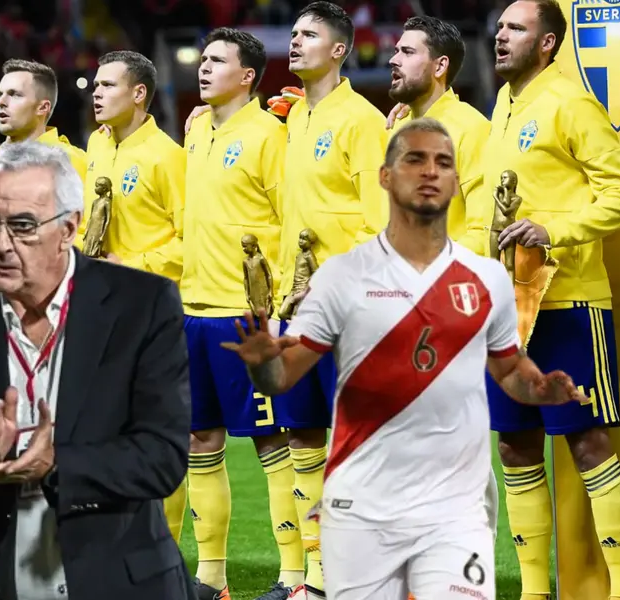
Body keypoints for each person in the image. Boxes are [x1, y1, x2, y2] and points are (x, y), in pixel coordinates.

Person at [222, 118, 587, 600]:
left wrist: (540, 387)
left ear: (457, 181)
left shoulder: (484, 279)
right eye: (414, 161)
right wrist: (262, 364)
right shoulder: (342, 277)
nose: (429, 173)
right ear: (386, 177)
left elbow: (508, 369)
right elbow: (284, 376)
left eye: (443, 163)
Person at [0, 141, 195, 599]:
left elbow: (163, 457)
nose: (1, 245)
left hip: (120, 583)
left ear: (68, 228)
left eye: (23, 226)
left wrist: (57, 464)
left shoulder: (141, 305)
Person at [481, 1, 620, 597]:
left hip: (570, 300)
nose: (501, 36)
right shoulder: (503, 105)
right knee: (515, 443)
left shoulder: (570, 102)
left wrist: (556, 230)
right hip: (510, 310)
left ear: (547, 43)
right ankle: (534, 590)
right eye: (500, 26)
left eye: (516, 28)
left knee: (587, 440)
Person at [273, 5, 391, 597]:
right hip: (297, 309)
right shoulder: (296, 117)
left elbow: (380, 223)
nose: (295, 42)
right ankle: (318, 580)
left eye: (309, 35)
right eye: (293, 34)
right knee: (302, 438)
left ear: (340, 49)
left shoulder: (362, 122)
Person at [181, 27, 295, 600]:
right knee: (200, 438)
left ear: (248, 76)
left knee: (273, 441)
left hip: (245, 315)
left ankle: (294, 576)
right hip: (193, 306)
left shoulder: (271, 136)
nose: (204, 68)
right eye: (202, 59)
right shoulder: (196, 129)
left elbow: (291, 219)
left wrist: (278, 307)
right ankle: (212, 578)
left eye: (217, 61)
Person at [385, 16, 490, 254]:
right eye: (396, 51)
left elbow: (484, 231)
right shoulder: (396, 127)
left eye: (408, 52)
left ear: (440, 66)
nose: (393, 60)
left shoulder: (472, 128)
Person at [78, 51, 184, 283]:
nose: (97, 93)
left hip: (148, 293)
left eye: (108, 85)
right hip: (100, 288)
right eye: (96, 85)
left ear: (138, 93)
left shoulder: (168, 155)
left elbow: (191, 241)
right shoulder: (97, 142)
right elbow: (88, 223)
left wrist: (130, 268)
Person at [0, 59, 88, 179]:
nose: (1, 102)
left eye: (15, 95)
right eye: (0, 94)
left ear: (43, 107)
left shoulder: (70, 163)